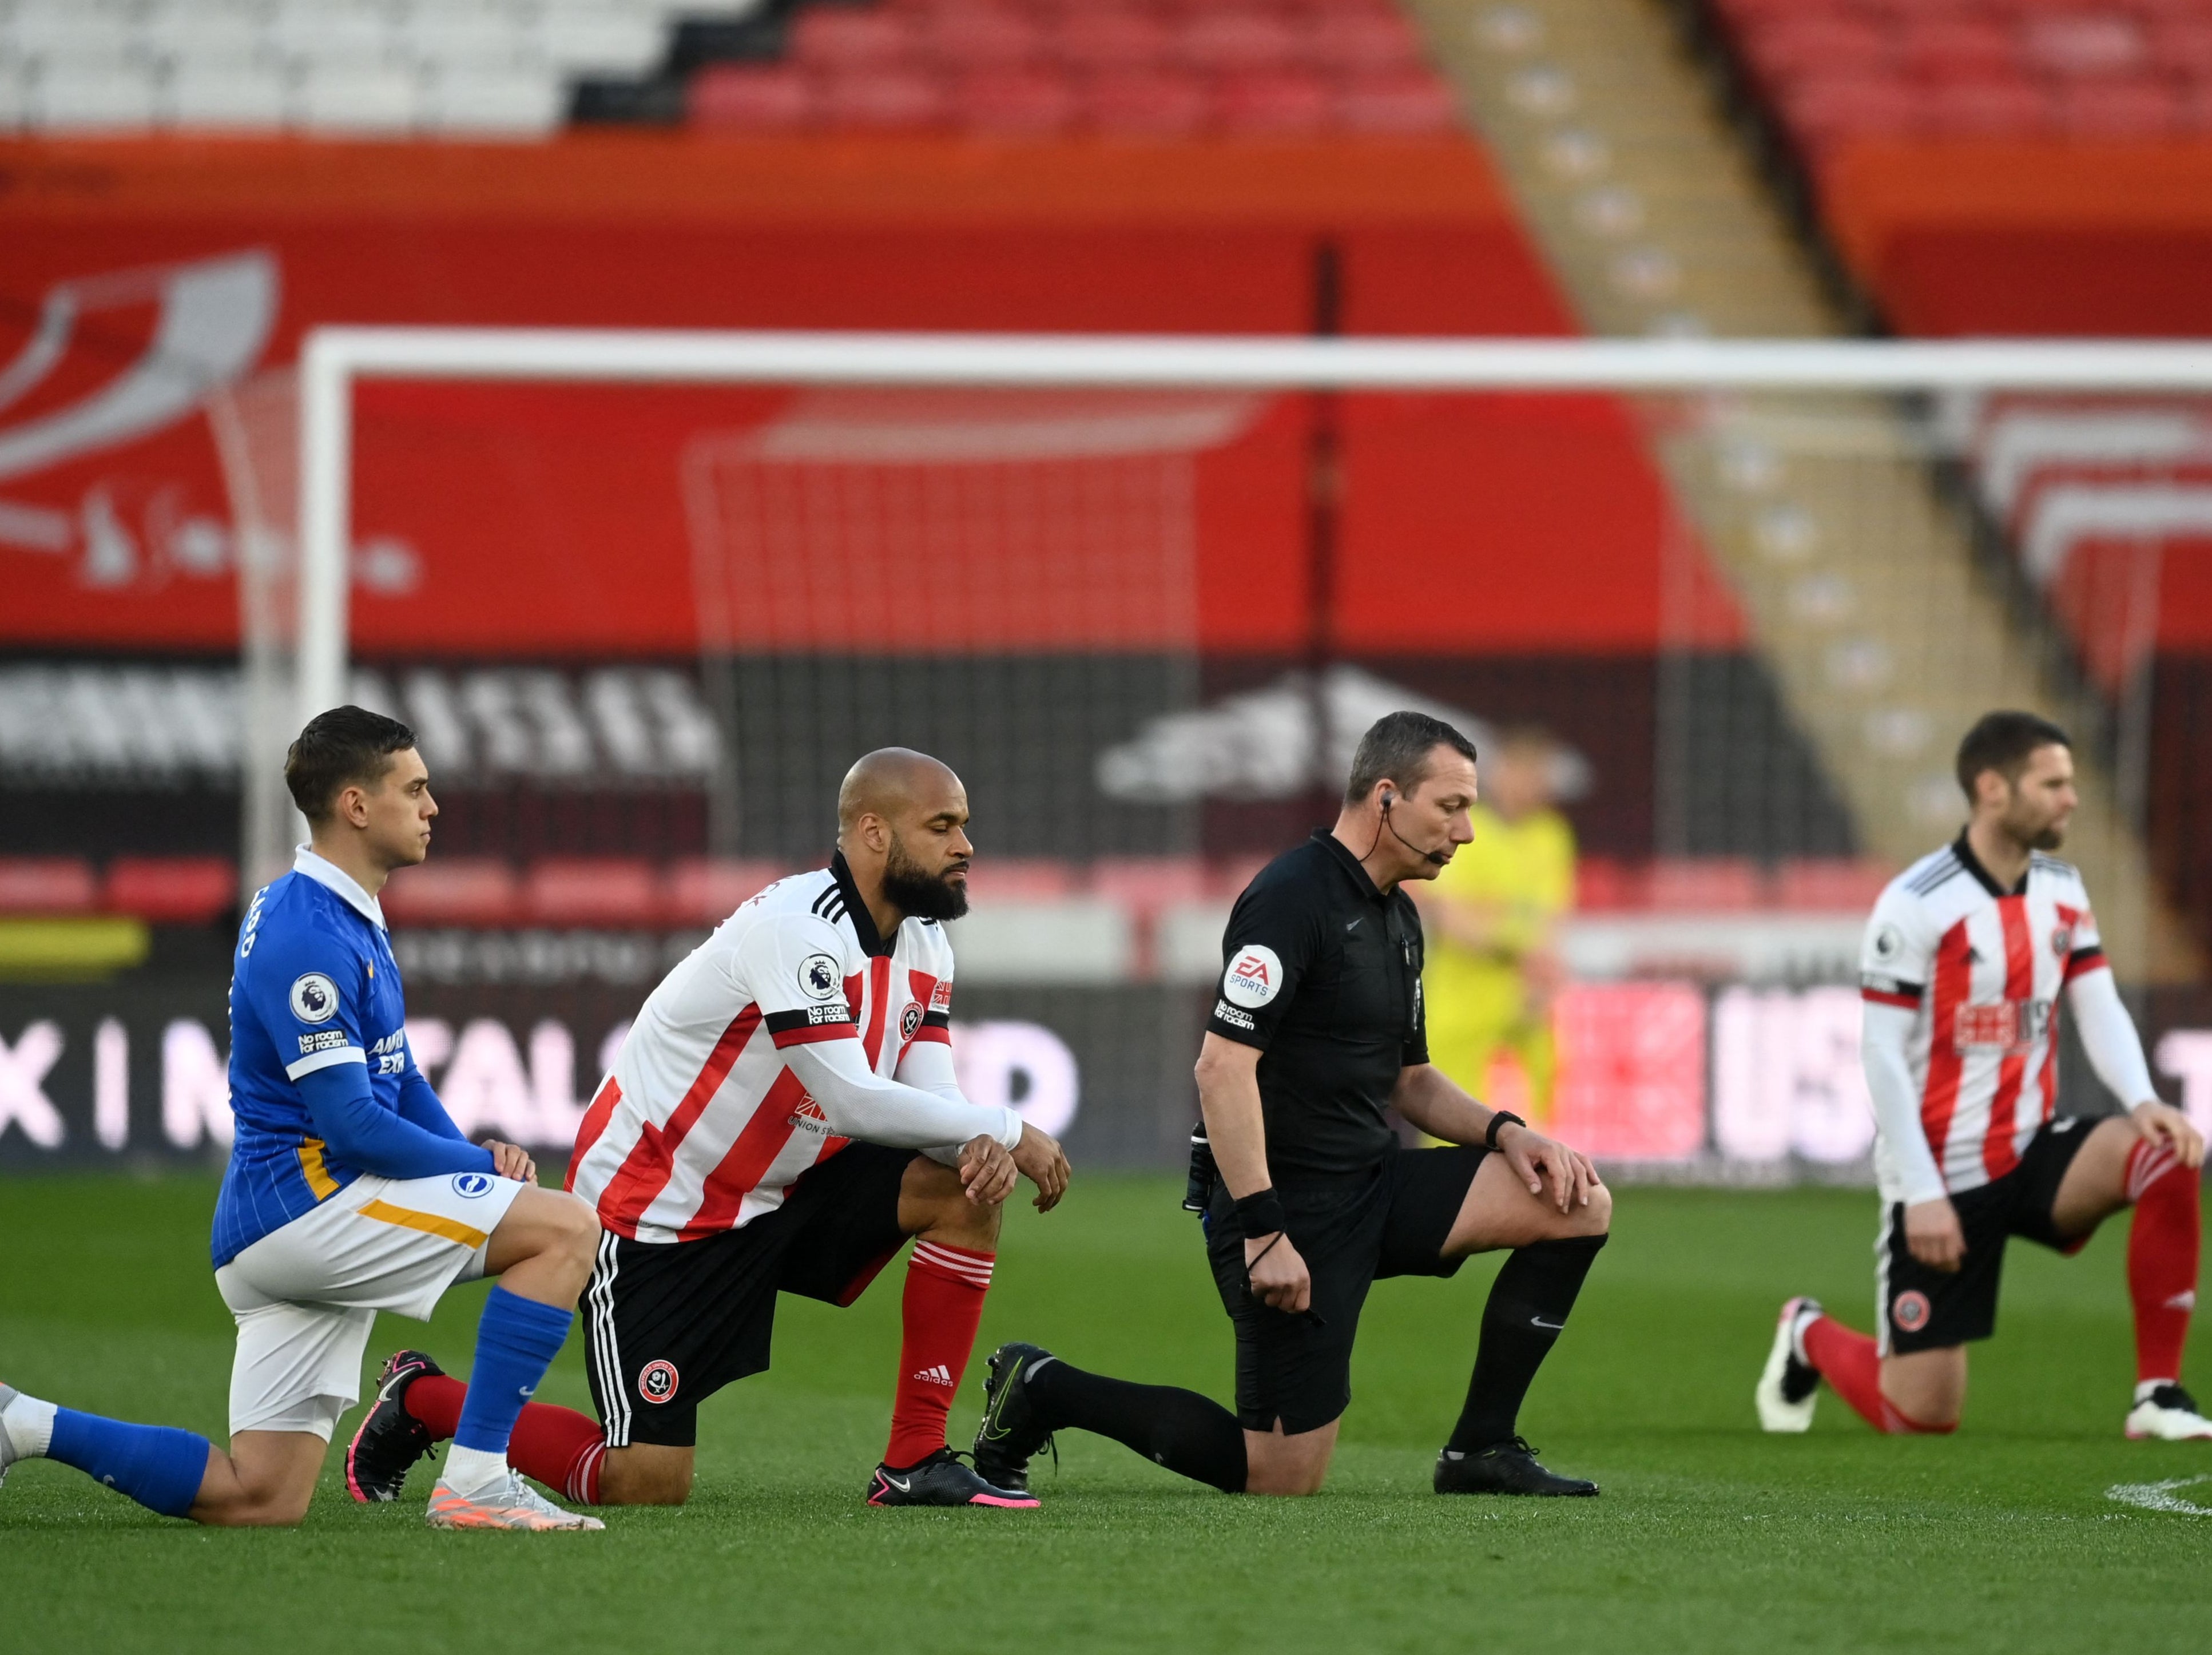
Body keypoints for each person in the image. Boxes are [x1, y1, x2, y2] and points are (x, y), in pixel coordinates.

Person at [347, 748, 1071, 1510]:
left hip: (785, 1189)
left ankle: (914, 1460)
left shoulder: (925, 943)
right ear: (872, 834)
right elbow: (850, 1097)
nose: (964, 845)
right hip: (659, 1207)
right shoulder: (795, 927)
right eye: (942, 826)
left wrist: (979, 1145)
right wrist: (1003, 1127)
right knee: (646, 1482)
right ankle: (422, 1398)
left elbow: (929, 1098)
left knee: (964, 1182)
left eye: (963, 826)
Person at [971, 711, 1612, 1500]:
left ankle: (1480, 1449)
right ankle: (1042, 1386)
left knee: (1574, 1203)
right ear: (1385, 797)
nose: (1468, 831)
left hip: (1372, 1182)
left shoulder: (1397, 913)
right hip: (1287, 1213)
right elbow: (1219, 1069)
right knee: (1280, 1477)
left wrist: (1506, 1134)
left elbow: (1408, 1080)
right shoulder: (1289, 900)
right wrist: (1264, 1229)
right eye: (1449, 806)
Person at [0, 707, 606, 1530]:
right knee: (567, 1227)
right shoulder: (305, 933)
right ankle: (476, 1482)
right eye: (415, 789)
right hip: (312, 1208)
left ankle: (21, 1423)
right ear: (357, 805)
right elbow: (355, 1126)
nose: (433, 807)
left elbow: (394, 1077)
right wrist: (466, 1167)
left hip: (276, 1228)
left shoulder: (337, 911)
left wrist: (470, 1154)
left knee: (259, 1496)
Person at [1757, 711, 2210, 1440]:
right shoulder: (1916, 902)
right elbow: (1881, 1054)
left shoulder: (2062, 887)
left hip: (2034, 1149)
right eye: (2053, 783)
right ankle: (1807, 1331)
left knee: (2168, 1150)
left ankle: (2158, 1393)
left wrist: (2144, 1100)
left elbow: (2097, 1006)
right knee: (1921, 1416)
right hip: (1941, 1173)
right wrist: (1924, 1193)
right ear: (1994, 789)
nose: (2071, 798)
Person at [1412, 726, 1576, 1122]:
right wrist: (1521, 947)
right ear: (1499, 773)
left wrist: (1542, 968)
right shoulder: (1464, 830)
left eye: (1538, 775)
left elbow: (1549, 917)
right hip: (1461, 997)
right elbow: (1452, 922)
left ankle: (1546, 1174)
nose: (1530, 786)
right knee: (1449, 1120)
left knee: (1548, 1100)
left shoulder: (1551, 836)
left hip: (1524, 991)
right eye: (1522, 772)